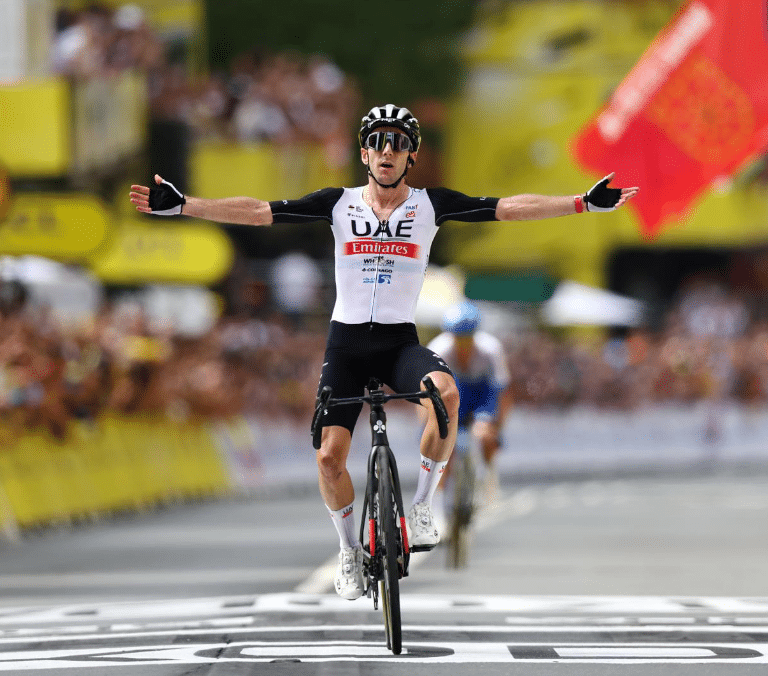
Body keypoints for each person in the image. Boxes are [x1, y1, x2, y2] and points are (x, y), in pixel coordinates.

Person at [130, 103, 639, 600]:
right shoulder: (337, 202)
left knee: (446, 394)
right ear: (364, 154)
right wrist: (185, 205)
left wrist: (582, 202)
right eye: (378, 142)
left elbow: (505, 207)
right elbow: (261, 211)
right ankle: (349, 552)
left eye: (398, 143)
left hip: (399, 342)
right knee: (330, 458)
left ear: (410, 156)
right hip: (347, 345)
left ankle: (420, 509)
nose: (387, 151)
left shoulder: (430, 205)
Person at [428, 301, 510, 513]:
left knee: (484, 435)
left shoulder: (491, 349)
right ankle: (438, 505)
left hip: (483, 393)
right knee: (443, 446)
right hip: (453, 391)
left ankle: (487, 475)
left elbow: (501, 391)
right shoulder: (438, 350)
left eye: (468, 337)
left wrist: (496, 427)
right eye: (458, 338)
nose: (463, 344)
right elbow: (428, 396)